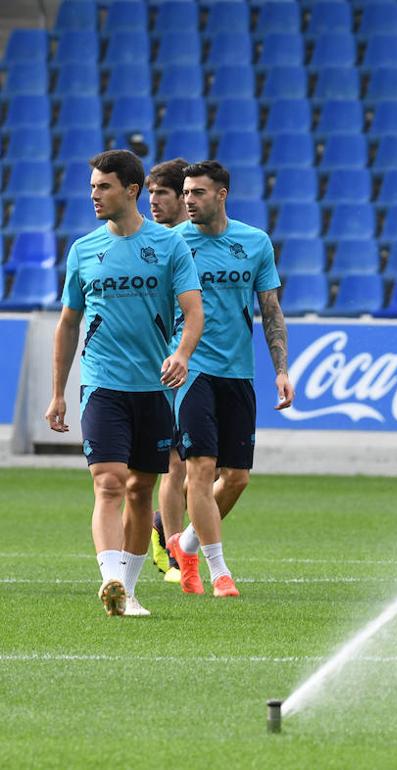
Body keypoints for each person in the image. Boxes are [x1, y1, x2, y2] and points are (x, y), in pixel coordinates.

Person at [45, 149, 203, 617]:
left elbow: (193, 311)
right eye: (92, 186)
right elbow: (68, 322)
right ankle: (111, 577)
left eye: (104, 186)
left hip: (154, 386)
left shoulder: (171, 246)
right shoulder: (83, 249)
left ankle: (128, 592)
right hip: (102, 384)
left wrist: (181, 353)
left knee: (140, 490)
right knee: (110, 483)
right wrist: (58, 392)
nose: (94, 194)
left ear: (130, 190)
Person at [165, 160, 293, 599]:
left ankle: (185, 545)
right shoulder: (173, 243)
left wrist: (281, 370)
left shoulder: (254, 243)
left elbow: (271, 311)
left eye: (197, 193)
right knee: (199, 467)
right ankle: (219, 571)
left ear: (221, 194)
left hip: (238, 372)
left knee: (237, 477)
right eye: (185, 193)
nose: (188, 200)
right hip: (191, 370)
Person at [144, 157, 191, 582]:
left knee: (214, 469)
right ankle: (176, 552)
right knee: (175, 462)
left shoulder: (196, 241)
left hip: (208, 363)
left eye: (162, 193)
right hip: (164, 365)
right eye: (150, 192)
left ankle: (163, 525)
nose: (153, 201)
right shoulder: (149, 243)